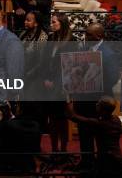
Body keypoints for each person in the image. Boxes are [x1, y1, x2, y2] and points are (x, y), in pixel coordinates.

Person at [74, 22, 120, 168]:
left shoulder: (108, 54)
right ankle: (86, 162)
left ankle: (101, 164)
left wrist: (94, 84)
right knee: (84, 133)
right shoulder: (84, 49)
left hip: (99, 100)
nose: (85, 37)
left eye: (89, 34)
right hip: (83, 98)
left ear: (99, 36)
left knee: (99, 135)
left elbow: (113, 78)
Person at [65, 96, 122, 176]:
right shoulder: (116, 119)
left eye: (98, 104)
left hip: (107, 161)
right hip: (119, 158)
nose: (96, 104)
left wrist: (68, 101)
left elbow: (72, 116)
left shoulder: (98, 123)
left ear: (103, 110)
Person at [42, 13, 73, 152]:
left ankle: (64, 149)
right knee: (52, 120)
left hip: (63, 87)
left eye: (54, 22)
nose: (51, 24)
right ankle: (54, 149)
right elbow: (45, 61)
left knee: (62, 120)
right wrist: (46, 79)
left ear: (62, 24)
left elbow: (71, 67)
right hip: (49, 86)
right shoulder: (51, 38)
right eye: (51, 22)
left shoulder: (72, 41)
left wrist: (56, 82)